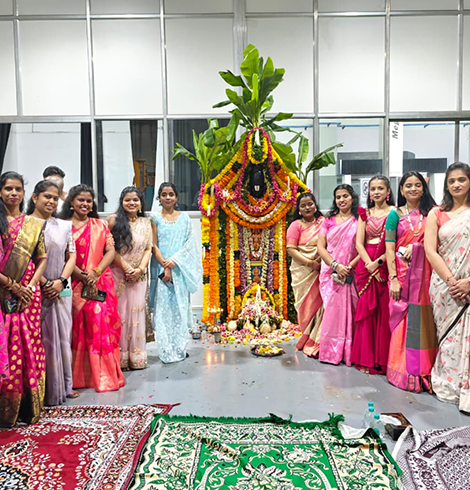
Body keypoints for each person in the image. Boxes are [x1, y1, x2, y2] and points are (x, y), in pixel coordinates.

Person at [58, 184, 124, 392]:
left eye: (88, 201)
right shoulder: (63, 226)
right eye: (81, 200)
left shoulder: (100, 225)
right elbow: (63, 256)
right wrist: (83, 276)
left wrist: (95, 273)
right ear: (71, 202)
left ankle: (103, 375)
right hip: (74, 283)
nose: (85, 204)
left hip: (99, 282)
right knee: (77, 329)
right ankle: (79, 376)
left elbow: (110, 251)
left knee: (100, 324)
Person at [0, 171, 47, 426]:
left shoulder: (33, 224)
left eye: (18, 189)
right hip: (4, 290)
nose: (13, 193)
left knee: (28, 344)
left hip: (28, 294)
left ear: (24, 193)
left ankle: (27, 407)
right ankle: (6, 410)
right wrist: (13, 286)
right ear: (1, 192)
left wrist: (28, 286)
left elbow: (42, 259)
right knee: (5, 346)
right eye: (8, 188)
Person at [26, 180, 78, 405]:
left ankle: (65, 385)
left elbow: (72, 255)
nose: (51, 201)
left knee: (64, 337)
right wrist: (46, 283)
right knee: (41, 339)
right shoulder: (25, 225)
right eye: (47, 196)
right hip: (36, 288)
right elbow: (27, 260)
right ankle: (43, 390)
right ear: (35, 197)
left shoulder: (65, 226)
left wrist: (61, 281)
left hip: (61, 288)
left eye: (55, 198)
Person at [385, 171, 437, 393]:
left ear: (424, 188)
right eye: (408, 185)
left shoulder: (433, 213)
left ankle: (424, 371)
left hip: (426, 277)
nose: (413, 189)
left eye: (417, 185)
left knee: (424, 323)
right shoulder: (394, 215)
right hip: (402, 276)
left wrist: (418, 248)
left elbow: (437, 244)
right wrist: (394, 279)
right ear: (401, 190)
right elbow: (389, 249)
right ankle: (405, 372)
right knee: (403, 325)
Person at [424, 163, 470, 411]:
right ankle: (449, 385)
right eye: (451, 181)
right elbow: (431, 251)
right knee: (449, 338)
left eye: (461, 179)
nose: (456, 184)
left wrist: (468, 283)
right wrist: (453, 282)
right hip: (444, 286)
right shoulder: (437, 213)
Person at [151, 183, 201, 363]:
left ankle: (179, 347)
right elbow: (153, 245)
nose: (168, 197)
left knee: (180, 309)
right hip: (162, 271)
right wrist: (166, 266)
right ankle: (166, 350)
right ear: (159, 197)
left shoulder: (185, 219)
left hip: (180, 271)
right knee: (164, 311)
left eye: (171, 194)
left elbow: (189, 245)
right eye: (164, 194)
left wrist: (174, 261)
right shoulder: (155, 218)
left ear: (176, 197)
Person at [351, 175, 394, 374]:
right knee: (367, 314)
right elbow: (359, 243)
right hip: (366, 265)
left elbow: (395, 243)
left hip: (385, 262)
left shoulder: (394, 212)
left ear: (388, 191)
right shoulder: (364, 213)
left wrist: (378, 263)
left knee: (384, 312)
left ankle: (383, 360)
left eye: (380, 188)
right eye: (373, 189)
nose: (376, 192)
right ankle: (366, 359)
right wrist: (369, 264)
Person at [108, 186, 152, 371]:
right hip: (118, 274)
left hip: (138, 277)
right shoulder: (113, 221)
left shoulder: (147, 222)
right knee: (120, 314)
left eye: (135, 199)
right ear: (122, 202)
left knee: (136, 314)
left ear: (141, 203)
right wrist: (127, 268)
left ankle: (136, 358)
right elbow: (109, 249)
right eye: (127, 200)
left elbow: (149, 248)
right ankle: (120, 359)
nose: (132, 203)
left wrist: (140, 269)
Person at [317, 184, 360, 366]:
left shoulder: (359, 219)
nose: (342, 200)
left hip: (351, 272)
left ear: (352, 197)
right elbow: (321, 247)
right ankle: (330, 352)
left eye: (345, 196)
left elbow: (363, 247)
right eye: (338, 197)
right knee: (332, 312)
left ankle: (349, 352)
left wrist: (348, 266)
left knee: (351, 311)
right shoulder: (328, 221)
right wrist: (335, 265)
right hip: (331, 272)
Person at [286, 192, 325, 357]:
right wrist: (310, 263)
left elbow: (329, 243)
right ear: (299, 209)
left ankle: (319, 339)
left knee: (322, 305)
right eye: (303, 206)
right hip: (302, 271)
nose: (307, 207)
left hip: (322, 268)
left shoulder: (324, 222)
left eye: (310, 204)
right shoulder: (295, 225)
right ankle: (306, 336)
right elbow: (291, 249)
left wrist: (320, 261)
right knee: (305, 307)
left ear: (315, 205)